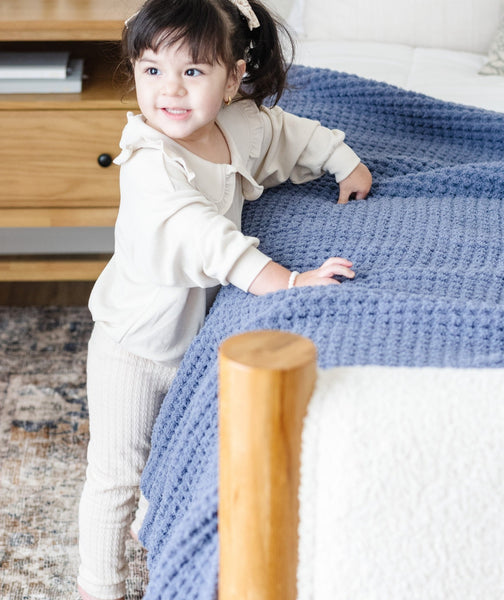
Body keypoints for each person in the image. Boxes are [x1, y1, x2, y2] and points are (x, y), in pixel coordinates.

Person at [77, 0, 372, 597]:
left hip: (190, 337)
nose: (171, 92)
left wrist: (345, 163)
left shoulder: (237, 126)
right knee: (115, 475)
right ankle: (97, 585)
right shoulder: (148, 163)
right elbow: (208, 239)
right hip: (133, 346)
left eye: (194, 71)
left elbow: (286, 132)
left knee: (170, 453)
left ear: (233, 77)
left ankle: (153, 527)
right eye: (152, 70)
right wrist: (288, 280)